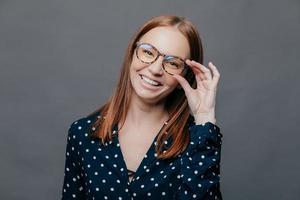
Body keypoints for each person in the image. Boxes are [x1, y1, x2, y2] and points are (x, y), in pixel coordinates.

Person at [61, 15, 223, 200]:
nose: (155, 69)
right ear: (132, 53)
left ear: (184, 77)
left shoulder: (197, 140)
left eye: (172, 63)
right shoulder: (82, 133)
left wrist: (204, 117)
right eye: (148, 52)